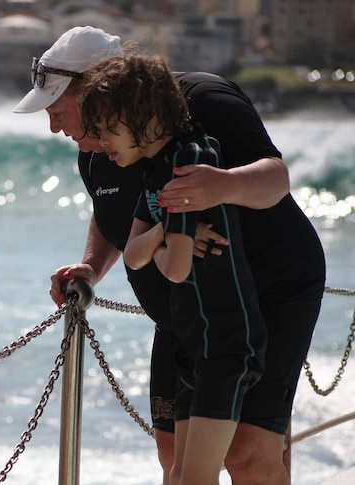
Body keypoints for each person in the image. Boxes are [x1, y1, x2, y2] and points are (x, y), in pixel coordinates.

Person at [14, 27, 325, 485]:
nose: (55, 126)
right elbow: (111, 211)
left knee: (247, 455)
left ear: (102, 86)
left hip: (266, 293)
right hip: (186, 312)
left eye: (58, 110)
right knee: (173, 456)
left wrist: (221, 186)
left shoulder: (201, 102)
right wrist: (92, 268)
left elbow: (275, 178)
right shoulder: (99, 149)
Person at [80, 52, 266, 484]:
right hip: (191, 342)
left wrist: (159, 238)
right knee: (179, 473)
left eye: (107, 130)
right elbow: (132, 254)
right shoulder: (152, 173)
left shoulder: (188, 164)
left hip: (223, 341)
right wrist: (166, 230)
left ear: (137, 116)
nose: (102, 143)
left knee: (194, 478)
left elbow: (176, 269)